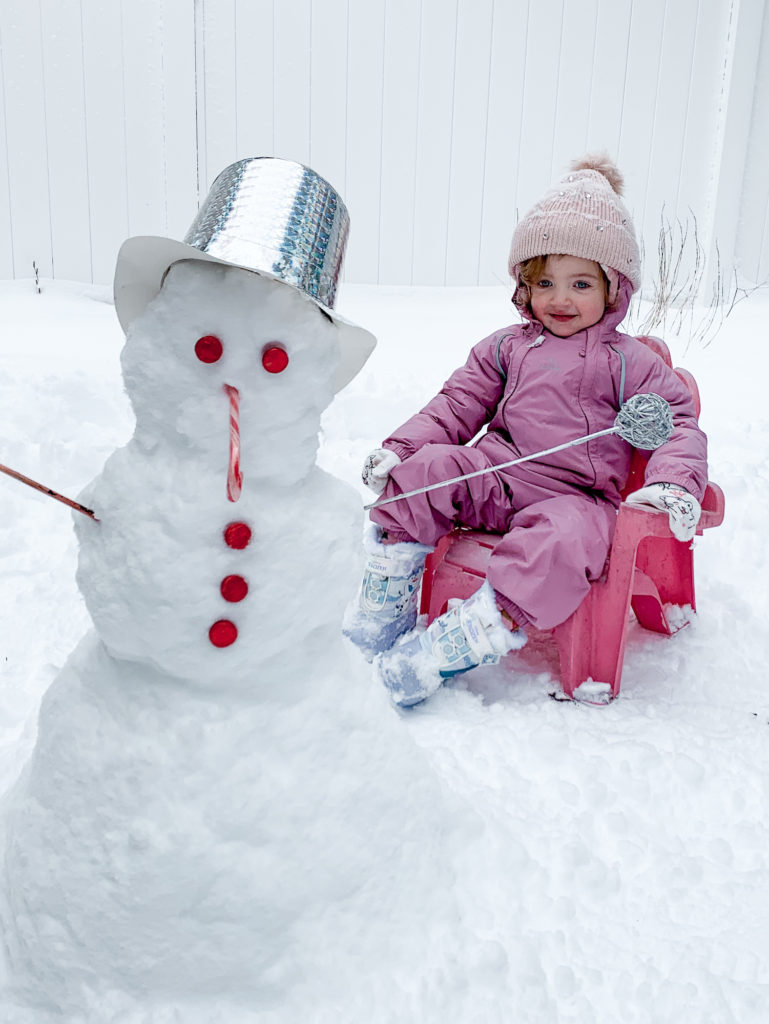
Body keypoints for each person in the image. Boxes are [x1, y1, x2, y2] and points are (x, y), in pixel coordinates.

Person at [343, 155, 708, 707]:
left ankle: (457, 642)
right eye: (545, 282)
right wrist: (402, 449)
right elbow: (458, 403)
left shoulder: (629, 361)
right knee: (426, 476)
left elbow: (676, 423)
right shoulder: (506, 347)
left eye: (581, 283)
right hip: (497, 473)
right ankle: (380, 614)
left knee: (564, 543)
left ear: (614, 289)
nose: (560, 299)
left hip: (576, 497)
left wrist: (675, 484)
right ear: (524, 287)